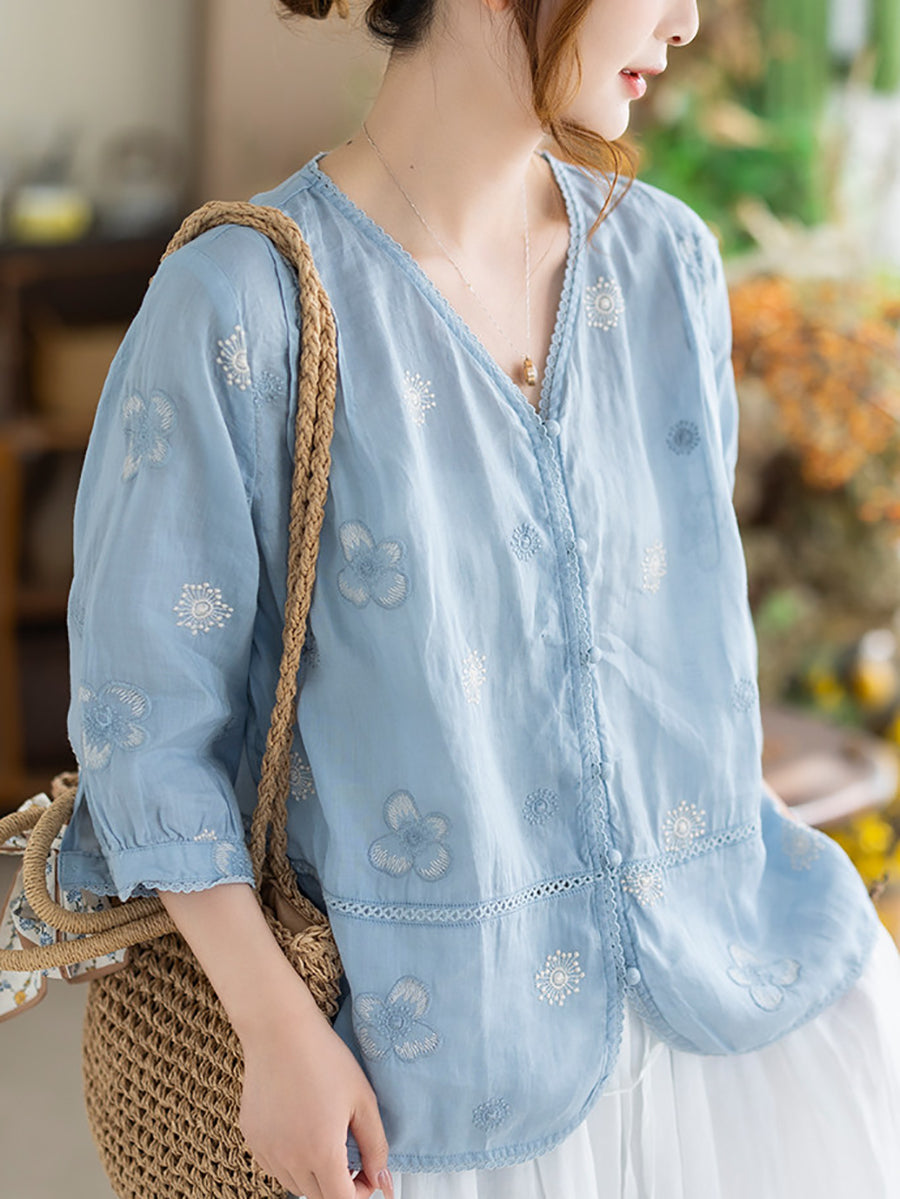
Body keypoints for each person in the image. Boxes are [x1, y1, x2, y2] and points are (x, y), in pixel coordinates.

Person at [57, 0, 900, 1196]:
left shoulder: (668, 266)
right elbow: (144, 726)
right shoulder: (242, 305)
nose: (687, 20)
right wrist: (276, 1028)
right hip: (432, 1075)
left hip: (728, 1003)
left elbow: (681, 657)